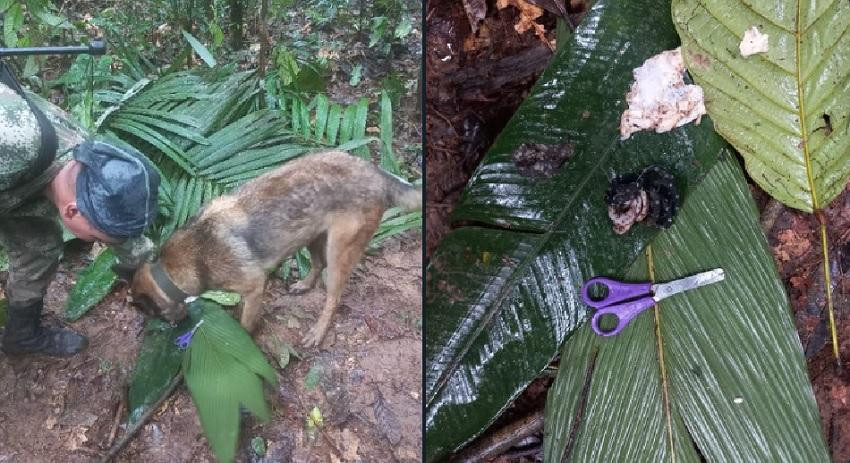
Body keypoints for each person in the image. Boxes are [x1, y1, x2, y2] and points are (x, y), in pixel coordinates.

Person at [0, 61, 159, 357]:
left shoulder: (91, 160)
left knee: (39, 249)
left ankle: (21, 337)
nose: (107, 242)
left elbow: (122, 234)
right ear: (72, 212)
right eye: (101, 238)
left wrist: (160, 278)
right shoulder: (13, 142)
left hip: (18, 184)